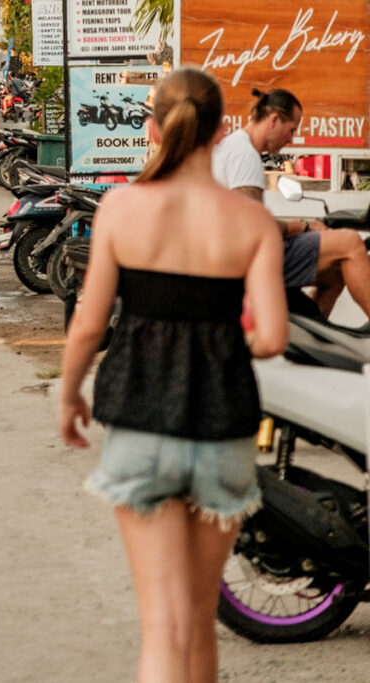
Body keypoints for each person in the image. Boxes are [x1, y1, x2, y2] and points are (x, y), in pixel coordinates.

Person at [60, 67, 288, 683]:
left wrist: (69, 397)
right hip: (223, 431)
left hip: (139, 424)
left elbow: (87, 325)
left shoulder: (122, 207)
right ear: (219, 133)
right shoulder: (252, 223)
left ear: (153, 128)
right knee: (197, 621)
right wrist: (220, 336)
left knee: (162, 630)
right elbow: (271, 337)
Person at [213, 88, 370, 320]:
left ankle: (318, 337)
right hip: (248, 260)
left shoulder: (233, 146)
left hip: (235, 256)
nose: (291, 139)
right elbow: (255, 229)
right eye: (291, 130)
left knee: (336, 269)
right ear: (274, 120)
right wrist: (304, 226)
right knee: (351, 243)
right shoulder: (244, 155)